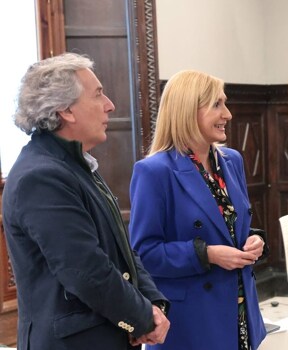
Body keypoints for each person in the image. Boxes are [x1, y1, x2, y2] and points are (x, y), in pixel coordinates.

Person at [1, 52, 170, 349]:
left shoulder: (75, 164)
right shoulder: (41, 176)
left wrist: (152, 303)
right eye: (98, 95)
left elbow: (121, 250)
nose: (110, 106)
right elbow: (85, 270)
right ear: (66, 110)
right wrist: (142, 317)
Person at [129, 70, 267, 350]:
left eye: (225, 103)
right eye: (217, 104)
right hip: (191, 324)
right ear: (187, 111)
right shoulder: (153, 172)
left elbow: (227, 225)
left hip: (239, 312)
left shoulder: (232, 161)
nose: (227, 114)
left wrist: (255, 240)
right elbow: (144, 253)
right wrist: (208, 254)